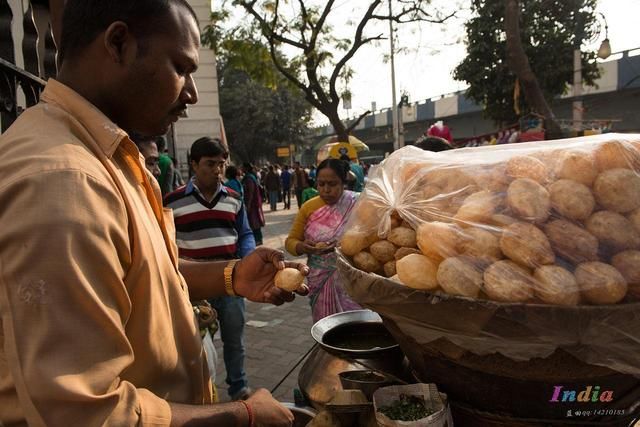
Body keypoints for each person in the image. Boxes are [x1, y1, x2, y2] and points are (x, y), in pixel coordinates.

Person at [0, 1, 303, 425]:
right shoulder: (64, 181)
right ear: (119, 43)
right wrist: (245, 415)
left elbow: (140, 272)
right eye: (181, 67)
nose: (191, 92)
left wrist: (232, 275)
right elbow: (87, 414)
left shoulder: (108, 156)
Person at [165, 137, 255, 402]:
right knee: (194, 344)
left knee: (234, 340)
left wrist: (248, 260)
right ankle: (199, 391)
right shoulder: (173, 202)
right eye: (209, 164)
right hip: (193, 288)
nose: (216, 170)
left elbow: (245, 234)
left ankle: (238, 387)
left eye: (220, 163)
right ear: (193, 164)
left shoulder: (234, 199)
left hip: (230, 283)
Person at [285, 158, 362, 322]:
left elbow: (371, 236)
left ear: (343, 182)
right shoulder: (309, 207)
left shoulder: (358, 204)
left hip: (353, 278)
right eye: (321, 184)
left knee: (356, 325)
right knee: (327, 327)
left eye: (332, 184)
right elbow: (290, 242)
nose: (326, 190)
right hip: (320, 278)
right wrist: (303, 247)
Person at [242, 162, 266, 245]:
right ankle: (257, 239)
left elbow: (251, 192)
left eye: (243, 167)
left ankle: (258, 239)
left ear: (246, 168)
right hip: (253, 203)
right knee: (253, 222)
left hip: (253, 204)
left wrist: (248, 205)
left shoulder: (249, 179)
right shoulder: (249, 177)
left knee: (254, 222)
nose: (241, 169)